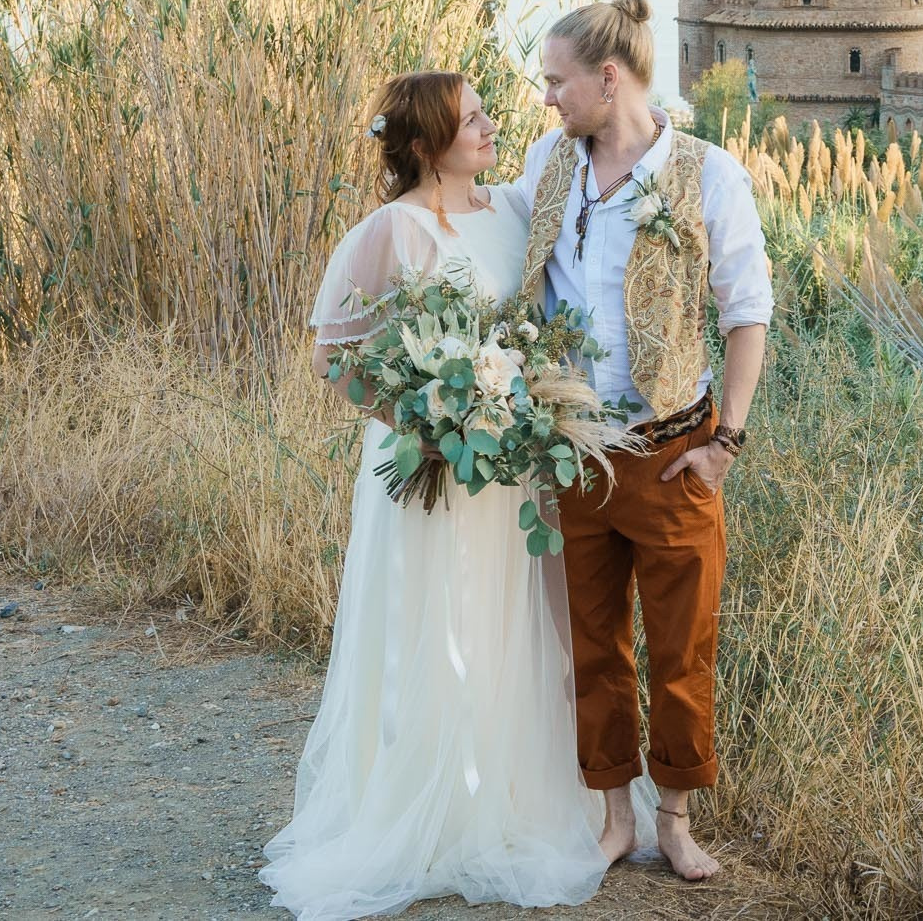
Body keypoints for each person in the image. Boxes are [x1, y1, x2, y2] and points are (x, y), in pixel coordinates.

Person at [260, 70, 653, 921]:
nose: (488, 124)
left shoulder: (514, 210)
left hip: (511, 469)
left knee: (516, 626)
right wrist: (423, 414)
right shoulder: (389, 230)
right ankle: (424, 810)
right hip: (431, 471)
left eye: (483, 111)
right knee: (431, 628)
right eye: (470, 118)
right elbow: (332, 354)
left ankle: (514, 800)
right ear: (429, 144)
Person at [514, 0, 772, 882]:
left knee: (681, 643)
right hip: (578, 448)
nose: (548, 97)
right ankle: (614, 816)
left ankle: (677, 819)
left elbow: (749, 314)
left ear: (608, 78)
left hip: (672, 453)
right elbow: (499, 244)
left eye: (558, 81)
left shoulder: (708, 172)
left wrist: (723, 444)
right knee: (593, 640)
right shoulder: (550, 163)